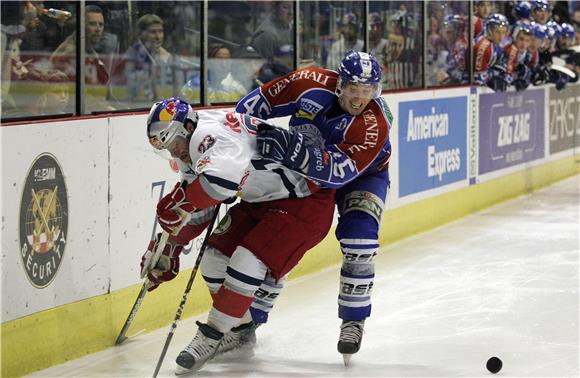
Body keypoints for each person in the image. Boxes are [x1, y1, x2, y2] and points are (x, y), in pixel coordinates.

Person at [141, 98, 336, 373]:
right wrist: (169, 244)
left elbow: (221, 183)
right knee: (213, 258)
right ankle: (240, 331)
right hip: (265, 200)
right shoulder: (193, 138)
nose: (175, 152)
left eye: (173, 143)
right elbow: (203, 205)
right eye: (167, 148)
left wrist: (183, 203)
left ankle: (212, 334)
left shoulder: (209, 137)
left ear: (186, 127)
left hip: (305, 200)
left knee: (245, 260)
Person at [236, 50, 392, 362]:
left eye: (367, 92)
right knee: (284, 238)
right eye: (353, 90)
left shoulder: (376, 123)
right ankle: (247, 321)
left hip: (362, 176)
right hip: (309, 170)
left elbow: (337, 174)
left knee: (359, 240)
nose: (360, 99)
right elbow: (253, 105)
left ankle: (353, 320)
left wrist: (289, 151)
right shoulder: (308, 83)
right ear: (340, 85)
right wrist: (236, 147)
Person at [50, 4, 118, 110]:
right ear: (81, 25)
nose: (98, 29)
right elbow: (73, 97)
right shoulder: (70, 54)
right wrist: (106, 108)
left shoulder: (89, 49)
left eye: (101, 25)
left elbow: (106, 93)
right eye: (92, 24)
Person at [121, 14, 173, 104]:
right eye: (153, 32)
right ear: (141, 34)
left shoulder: (163, 54)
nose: (158, 37)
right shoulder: (132, 57)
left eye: (160, 31)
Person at [473, 13, 510, 91]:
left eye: (503, 32)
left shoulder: (495, 45)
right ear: (489, 30)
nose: (500, 36)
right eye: (497, 32)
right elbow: (478, 80)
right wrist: (494, 74)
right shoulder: (484, 47)